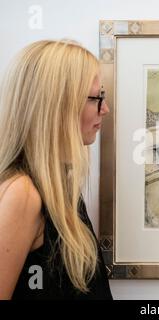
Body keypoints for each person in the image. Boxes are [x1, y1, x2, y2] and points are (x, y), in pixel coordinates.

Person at [0, 40, 112, 299]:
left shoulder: (60, 187)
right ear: (57, 106)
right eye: (97, 98)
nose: (105, 109)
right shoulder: (23, 194)